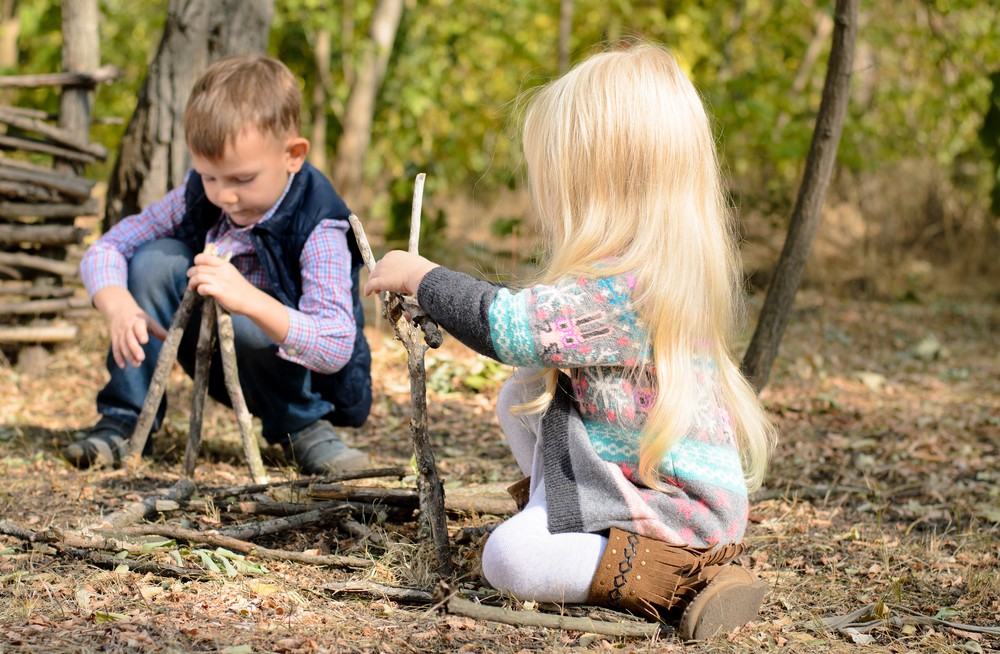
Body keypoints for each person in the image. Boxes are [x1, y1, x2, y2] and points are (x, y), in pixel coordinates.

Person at [363, 43, 776, 639]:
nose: (547, 200)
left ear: (601, 184)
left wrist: (424, 279)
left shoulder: (628, 290)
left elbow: (510, 326)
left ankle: (684, 580)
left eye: (559, 182)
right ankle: (563, 520)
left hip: (677, 511)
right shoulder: (640, 273)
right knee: (522, 394)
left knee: (508, 560)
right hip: (632, 475)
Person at [65, 55, 373, 474]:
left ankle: (303, 428)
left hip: (290, 375)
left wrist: (248, 299)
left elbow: (336, 344)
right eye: (210, 177)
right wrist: (116, 302)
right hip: (215, 355)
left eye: (242, 180)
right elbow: (108, 246)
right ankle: (124, 420)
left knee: (252, 310)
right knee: (154, 260)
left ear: (293, 155)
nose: (224, 196)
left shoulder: (318, 223)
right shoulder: (197, 195)